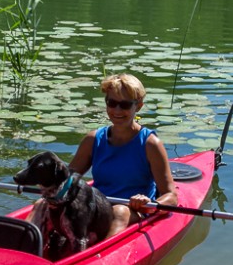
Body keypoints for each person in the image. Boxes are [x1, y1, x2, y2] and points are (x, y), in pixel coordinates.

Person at [68, 73, 178, 238]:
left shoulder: (151, 144)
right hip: (98, 208)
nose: (117, 110)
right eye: (112, 103)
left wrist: (151, 204)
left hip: (132, 211)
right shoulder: (92, 140)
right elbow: (67, 180)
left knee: (119, 211)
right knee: (42, 204)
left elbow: (171, 196)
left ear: (138, 106)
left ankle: (103, 252)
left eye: (125, 105)